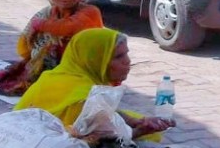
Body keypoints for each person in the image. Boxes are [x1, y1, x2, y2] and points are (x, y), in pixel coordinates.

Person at [14, 28, 173, 141]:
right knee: (150, 137)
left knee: (138, 121)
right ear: (95, 61)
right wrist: (138, 131)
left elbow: (102, 110)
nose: (128, 61)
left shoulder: (58, 75)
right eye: (118, 57)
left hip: (20, 134)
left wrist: (134, 121)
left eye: (126, 54)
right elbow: (89, 142)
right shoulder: (81, 100)